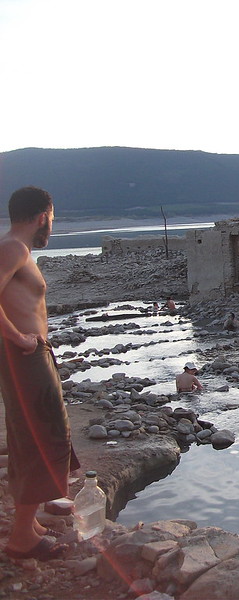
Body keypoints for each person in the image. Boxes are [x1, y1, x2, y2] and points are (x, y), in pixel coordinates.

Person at [0, 187, 79, 561]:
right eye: (53, 216)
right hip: (25, 357)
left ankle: (27, 523)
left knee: (27, 434)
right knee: (45, 434)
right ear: (41, 216)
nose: (52, 223)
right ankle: (21, 540)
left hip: (29, 355)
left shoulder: (18, 249)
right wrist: (20, 338)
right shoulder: (14, 248)